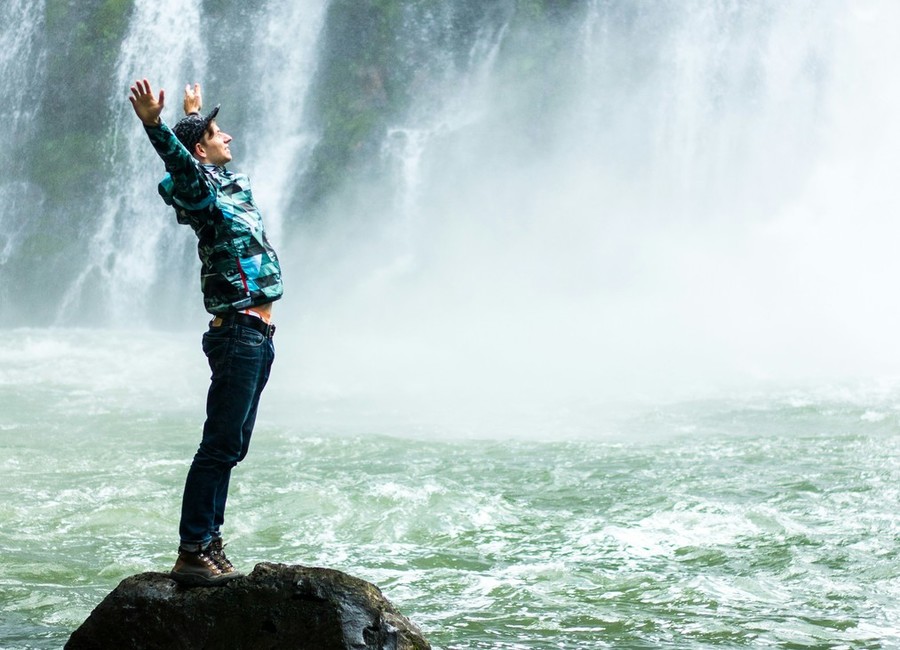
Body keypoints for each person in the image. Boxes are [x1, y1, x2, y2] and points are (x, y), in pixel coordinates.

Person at [128, 78, 283, 586]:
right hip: (238, 332)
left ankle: (209, 541)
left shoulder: (229, 185)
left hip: (258, 336)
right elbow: (181, 169)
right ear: (200, 150)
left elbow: (201, 161)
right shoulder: (202, 193)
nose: (230, 136)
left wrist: (195, 116)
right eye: (219, 133)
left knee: (232, 446)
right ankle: (193, 548)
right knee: (218, 446)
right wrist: (157, 126)